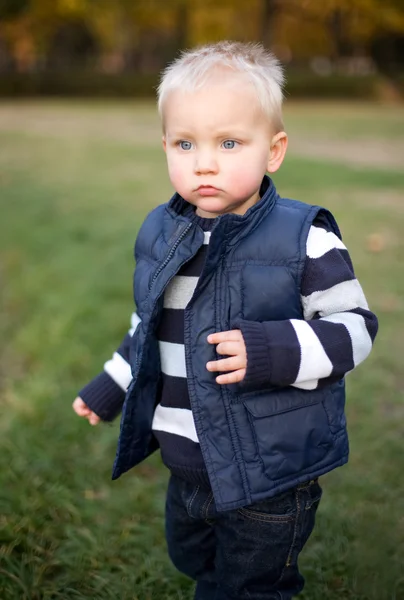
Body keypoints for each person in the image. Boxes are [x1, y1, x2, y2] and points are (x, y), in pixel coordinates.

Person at [73, 41, 378, 599]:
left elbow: (355, 330)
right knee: (194, 559)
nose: (204, 162)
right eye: (185, 143)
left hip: (269, 470)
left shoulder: (305, 238)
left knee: (255, 581)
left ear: (274, 150)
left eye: (229, 142)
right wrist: (110, 387)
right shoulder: (163, 234)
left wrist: (271, 350)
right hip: (187, 460)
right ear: (164, 145)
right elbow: (150, 328)